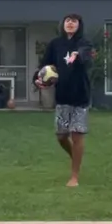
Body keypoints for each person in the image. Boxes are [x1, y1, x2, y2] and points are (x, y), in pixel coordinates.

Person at [36, 13, 92, 187]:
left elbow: (86, 55)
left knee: (76, 136)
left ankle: (74, 177)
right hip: (62, 96)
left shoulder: (84, 43)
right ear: (63, 24)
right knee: (61, 136)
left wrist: (77, 55)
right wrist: (38, 79)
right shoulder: (55, 44)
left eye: (74, 21)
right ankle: (75, 156)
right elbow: (44, 66)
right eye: (68, 21)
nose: (70, 23)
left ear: (79, 25)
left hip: (80, 97)